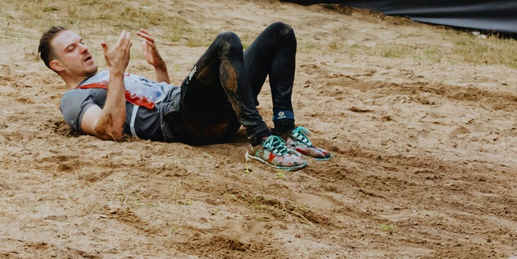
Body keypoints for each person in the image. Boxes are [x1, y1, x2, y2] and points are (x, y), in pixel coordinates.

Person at [39, 20, 330, 170]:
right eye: (72, 49)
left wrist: (159, 67)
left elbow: (157, 100)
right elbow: (111, 130)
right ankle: (260, 139)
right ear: (57, 65)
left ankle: (284, 128)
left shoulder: (107, 76)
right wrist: (117, 72)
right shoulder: (73, 99)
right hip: (183, 121)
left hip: (194, 111)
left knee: (280, 32)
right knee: (226, 42)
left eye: (81, 42)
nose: (84, 48)